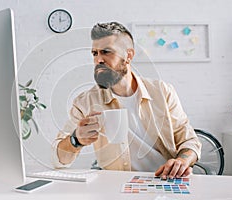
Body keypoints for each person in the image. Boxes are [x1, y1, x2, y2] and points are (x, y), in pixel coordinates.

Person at [52, 22, 201, 179]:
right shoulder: (85, 102)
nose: (98, 60)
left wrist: (181, 161)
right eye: (95, 53)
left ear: (128, 56)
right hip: (117, 186)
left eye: (106, 52)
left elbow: (190, 141)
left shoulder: (162, 92)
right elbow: (58, 160)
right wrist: (76, 140)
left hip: (165, 181)